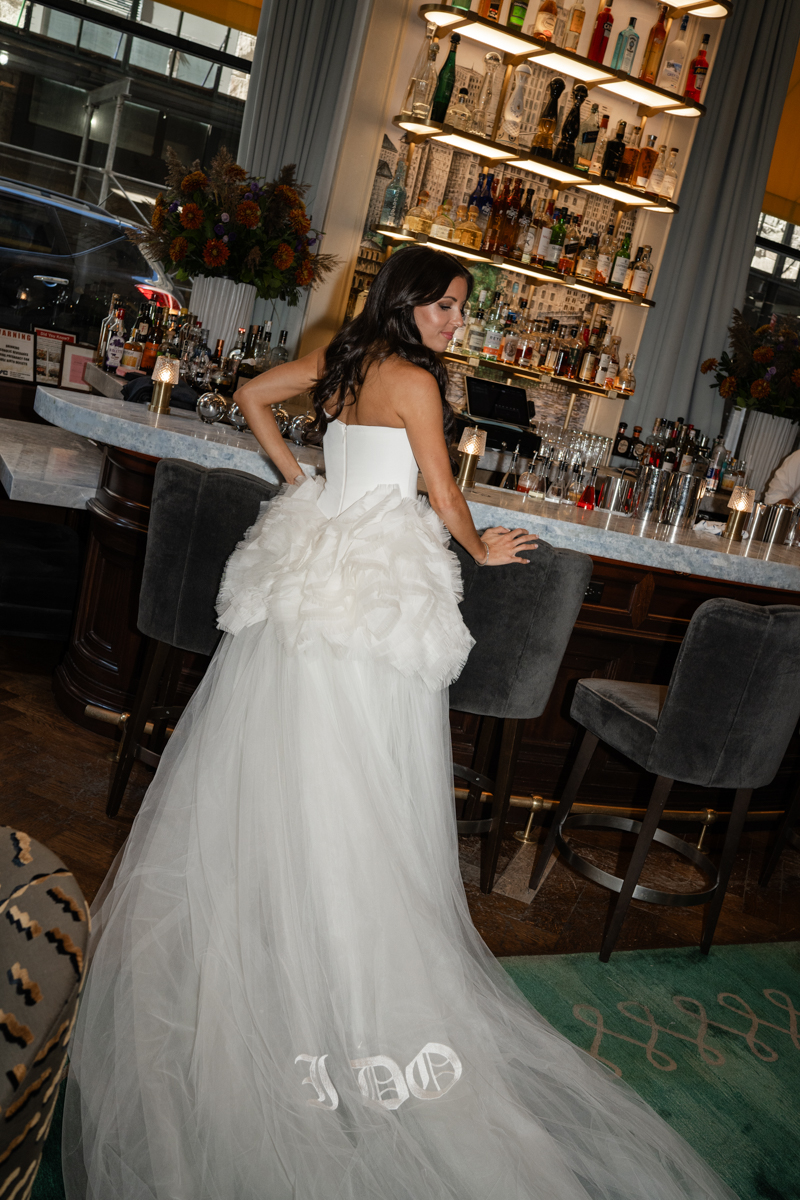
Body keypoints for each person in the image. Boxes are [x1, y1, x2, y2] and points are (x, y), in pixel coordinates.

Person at [63, 247, 737, 1200]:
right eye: (451, 306)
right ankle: (344, 945)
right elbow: (443, 489)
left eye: (463, 308)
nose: (459, 320)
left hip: (317, 571)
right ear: (412, 305)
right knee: (363, 768)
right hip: (377, 583)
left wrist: (302, 483)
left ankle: (273, 936)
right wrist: (481, 547)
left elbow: (255, 396)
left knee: (286, 756)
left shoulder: (344, 361)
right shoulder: (417, 379)